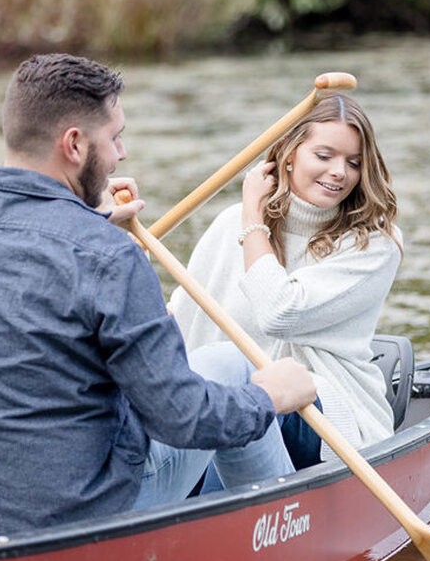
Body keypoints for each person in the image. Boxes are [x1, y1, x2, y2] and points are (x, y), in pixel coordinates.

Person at [0, 53, 316, 546]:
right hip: (75, 522)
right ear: (74, 144)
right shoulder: (107, 255)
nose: (121, 154)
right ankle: (287, 550)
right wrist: (271, 396)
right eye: (115, 138)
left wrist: (83, 217)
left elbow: (22, 279)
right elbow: (182, 417)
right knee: (237, 367)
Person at [169, 94, 403, 471]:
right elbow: (181, 323)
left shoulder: (374, 244)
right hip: (222, 404)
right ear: (289, 154)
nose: (339, 172)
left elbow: (279, 313)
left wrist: (253, 220)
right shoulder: (228, 224)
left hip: (322, 413)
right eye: (324, 156)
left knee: (248, 396)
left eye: (354, 163)